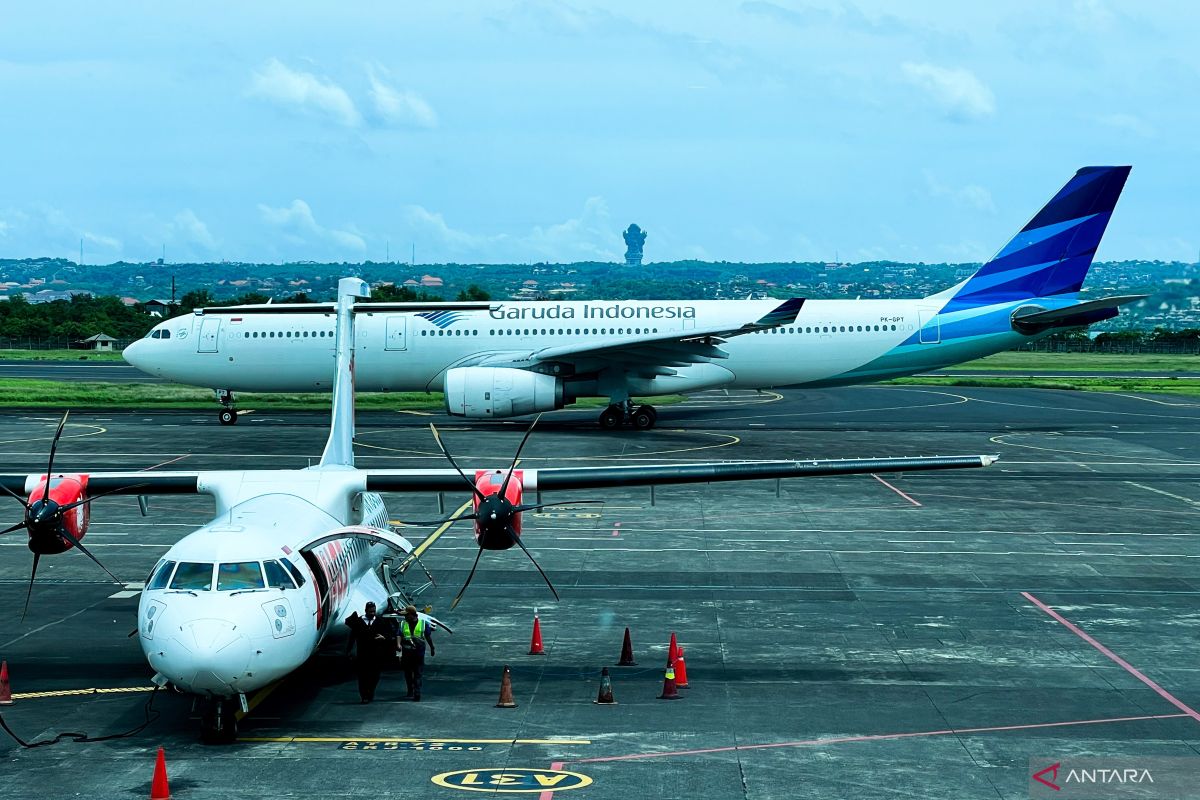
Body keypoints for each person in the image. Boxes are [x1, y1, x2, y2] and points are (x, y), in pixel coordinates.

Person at [345, 601, 396, 703]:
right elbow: (352, 637)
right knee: (363, 677)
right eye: (370, 611)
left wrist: (384, 637)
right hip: (363, 654)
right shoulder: (359, 622)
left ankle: (370, 692)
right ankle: (364, 696)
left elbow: (390, 633)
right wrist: (349, 650)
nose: (372, 613)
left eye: (374, 611)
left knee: (375, 676)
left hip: (376, 655)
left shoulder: (380, 621)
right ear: (366, 611)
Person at [398, 605, 435, 701]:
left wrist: (432, 648)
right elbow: (399, 634)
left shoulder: (423, 624)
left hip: (418, 654)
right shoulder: (403, 624)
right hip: (407, 653)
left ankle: (417, 692)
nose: (405, 617)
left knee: (418, 673)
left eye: (406, 615)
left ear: (412, 615)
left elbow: (428, 637)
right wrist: (398, 645)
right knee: (408, 674)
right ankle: (410, 690)